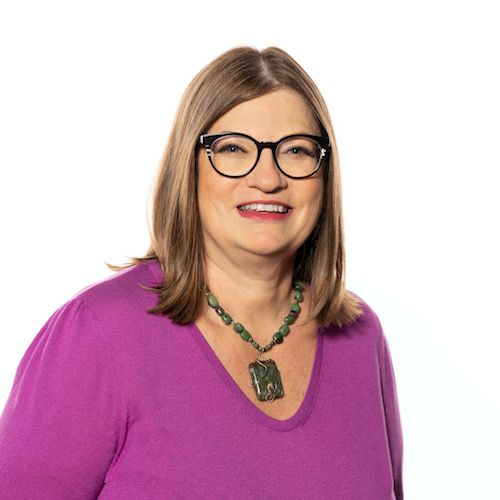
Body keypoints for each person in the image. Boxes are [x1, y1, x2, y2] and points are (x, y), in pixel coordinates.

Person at [0, 46, 404, 499]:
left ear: (325, 174)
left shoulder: (360, 336)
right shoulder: (98, 334)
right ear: (187, 167)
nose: (268, 178)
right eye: (232, 148)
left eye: (296, 150)